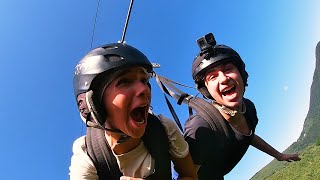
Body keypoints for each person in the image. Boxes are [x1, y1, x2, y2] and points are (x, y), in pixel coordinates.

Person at [69, 43, 197, 180]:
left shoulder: (164, 128)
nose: (144, 89)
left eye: (144, 80)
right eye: (124, 81)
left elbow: (189, 176)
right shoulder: (87, 153)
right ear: (95, 105)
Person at [184, 33, 301, 179]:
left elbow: (247, 136)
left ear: (241, 74)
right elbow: (186, 175)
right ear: (207, 90)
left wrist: (278, 155)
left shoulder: (248, 109)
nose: (224, 79)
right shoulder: (201, 127)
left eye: (228, 69)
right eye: (212, 77)